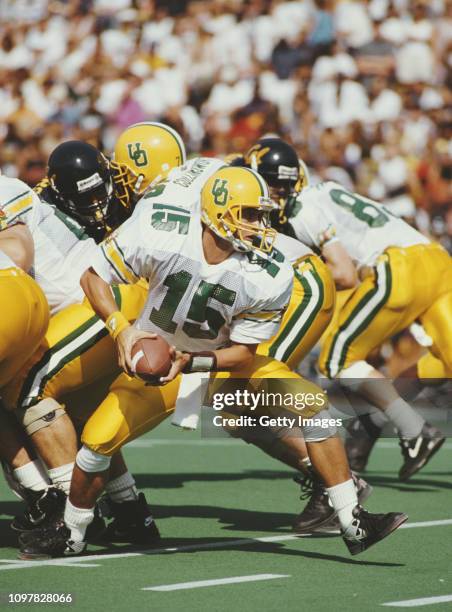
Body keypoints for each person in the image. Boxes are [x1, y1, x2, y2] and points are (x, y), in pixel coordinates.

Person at [19, 166, 407, 559]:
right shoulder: (160, 230)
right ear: (218, 212)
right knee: (97, 443)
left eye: (262, 214)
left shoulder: (270, 274)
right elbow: (92, 277)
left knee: (317, 411)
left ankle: (353, 522)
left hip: (217, 364)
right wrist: (124, 331)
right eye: (250, 214)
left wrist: (192, 362)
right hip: (157, 362)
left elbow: (243, 354)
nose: (261, 225)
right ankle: (73, 534)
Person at [269, 143, 450, 481]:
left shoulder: (303, 207)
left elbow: (344, 274)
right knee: (442, 360)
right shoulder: (327, 192)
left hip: (398, 266)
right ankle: (370, 425)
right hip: (437, 261)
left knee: (338, 357)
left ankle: (415, 431)